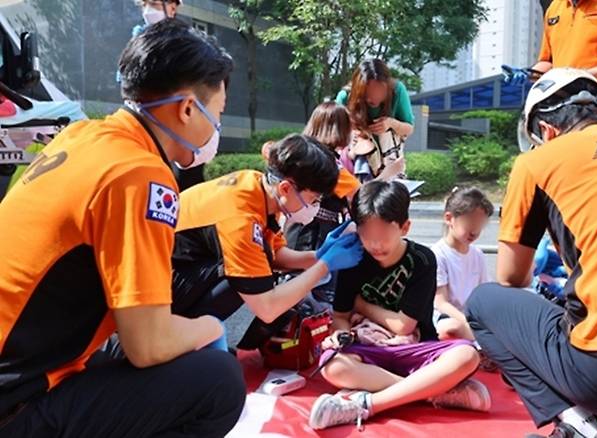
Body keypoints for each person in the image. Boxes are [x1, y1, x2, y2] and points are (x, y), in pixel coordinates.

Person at [0, 20, 245, 437]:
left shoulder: (82, 136)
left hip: (20, 363)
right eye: (217, 114)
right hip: (17, 402)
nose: (215, 130)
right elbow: (147, 345)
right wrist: (212, 327)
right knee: (218, 380)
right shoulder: (140, 175)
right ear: (188, 108)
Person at [466, 68, 597, 438]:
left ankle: (578, 423)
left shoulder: (539, 161)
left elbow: (512, 277)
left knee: (483, 302)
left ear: (547, 131)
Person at [308, 181, 491, 431]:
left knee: (466, 355)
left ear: (405, 227)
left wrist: (361, 305)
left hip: (416, 349)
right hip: (369, 350)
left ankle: (368, 403)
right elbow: (340, 315)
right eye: (366, 236)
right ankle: (430, 391)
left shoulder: (422, 260)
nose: (375, 245)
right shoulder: (353, 259)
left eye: (383, 236)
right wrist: (339, 334)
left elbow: (404, 326)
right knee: (332, 366)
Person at [171, 134, 364, 341]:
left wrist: (318, 256)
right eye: (313, 199)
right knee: (245, 279)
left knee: (257, 270)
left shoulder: (259, 187)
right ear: (286, 188)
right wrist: (324, 266)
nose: (315, 206)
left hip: (183, 271)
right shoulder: (240, 219)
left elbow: (274, 255)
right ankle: (179, 338)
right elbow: (268, 307)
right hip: (162, 289)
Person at [503, 0, 597, 128]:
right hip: (563, 122)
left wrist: (584, 76)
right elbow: (548, 61)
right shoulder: (555, 8)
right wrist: (530, 73)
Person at [120, 0, 206, 191]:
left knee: (186, 184)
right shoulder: (137, 40)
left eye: (156, 4)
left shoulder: (185, 40)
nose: (150, 11)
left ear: (173, 8)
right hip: (146, 124)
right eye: (148, 4)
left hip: (179, 123)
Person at [283, 102, 361, 303]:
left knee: (295, 291)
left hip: (298, 230)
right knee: (314, 295)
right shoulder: (328, 163)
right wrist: (391, 172)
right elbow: (359, 193)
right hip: (315, 234)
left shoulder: (308, 154)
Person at [431, 187, 493, 341]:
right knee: (452, 328)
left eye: (479, 226)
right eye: (470, 224)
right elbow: (441, 303)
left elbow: (484, 295)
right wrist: (468, 322)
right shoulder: (438, 254)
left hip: (473, 319)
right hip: (447, 318)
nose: (474, 232)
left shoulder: (477, 255)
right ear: (449, 218)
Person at [336, 59, 414, 181]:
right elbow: (334, 133)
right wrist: (354, 134)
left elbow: (409, 129)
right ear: (358, 89)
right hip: (354, 163)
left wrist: (391, 123)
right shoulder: (345, 97)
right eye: (368, 93)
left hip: (389, 162)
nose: (375, 98)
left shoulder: (397, 91)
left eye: (380, 92)